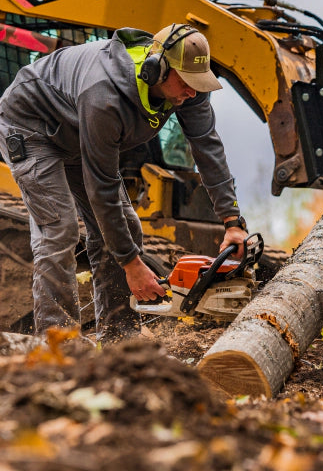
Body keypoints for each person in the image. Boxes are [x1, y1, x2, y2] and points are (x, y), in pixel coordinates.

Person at [0, 23, 248, 342]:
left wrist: (232, 222)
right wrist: (132, 264)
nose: (193, 91)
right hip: (30, 126)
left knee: (126, 228)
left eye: (199, 84)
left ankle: (120, 336)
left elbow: (207, 147)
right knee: (59, 228)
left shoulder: (191, 92)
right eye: (187, 82)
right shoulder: (104, 94)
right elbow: (101, 187)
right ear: (156, 70)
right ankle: (56, 343)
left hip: (77, 130)